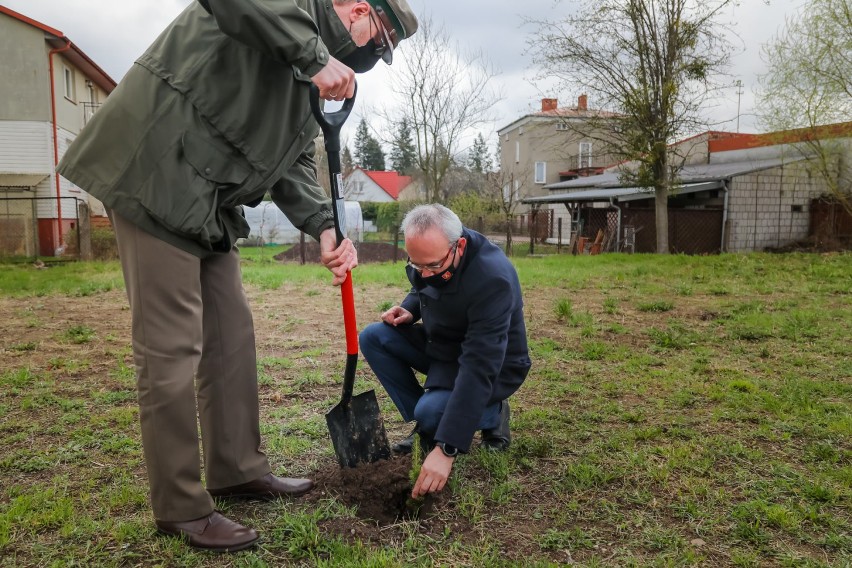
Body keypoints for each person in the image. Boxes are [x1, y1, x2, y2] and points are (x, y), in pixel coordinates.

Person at [56, 0, 417, 553]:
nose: (372, 54)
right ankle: (180, 506)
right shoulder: (291, 14)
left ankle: (236, 467)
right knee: (171, 349)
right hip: (156, 170)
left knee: (231, 337)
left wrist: (322, 224)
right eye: (380, 40)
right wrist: (314, 55)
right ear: (360, 11)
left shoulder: (307, 75)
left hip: (206, 199)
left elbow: (290, 160)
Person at [359, 204, 532, 499]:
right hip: (444, 346)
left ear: (459, 246)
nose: (425, 274)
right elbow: (422, 285)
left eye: (434, 267)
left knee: (429, 410)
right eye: (417, 266)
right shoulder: (434, 255)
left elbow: (479, 365)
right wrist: (410, 309)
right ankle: (431, 424)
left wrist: (448, 447)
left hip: (493, 364)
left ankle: (491, 412)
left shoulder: (493, 280)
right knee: (374, 337)